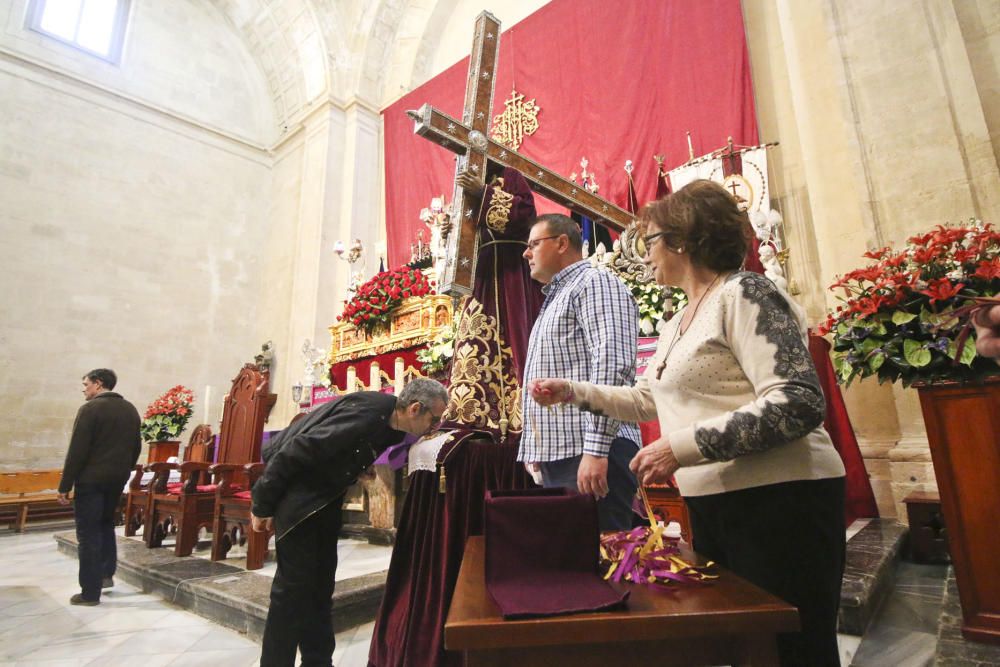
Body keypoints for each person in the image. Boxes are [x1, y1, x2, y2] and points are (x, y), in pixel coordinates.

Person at [531, 180, 847, 667]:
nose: (645, 255)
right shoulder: (678, 319)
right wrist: (575, 392)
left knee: (794, 647)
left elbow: (797, 401)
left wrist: (680, 448)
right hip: (717, 501)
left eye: (650, 240)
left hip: (781, 499)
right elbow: (647, 399)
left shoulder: (745, 292)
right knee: (749, 645)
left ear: (685, 238)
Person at [251, 378, 448, 667]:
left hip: (323, 504)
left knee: (319, 592)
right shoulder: (368, 415)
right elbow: (294, 451)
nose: (436, 426)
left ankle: (318, 662)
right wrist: (262, 504)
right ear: (415, 408)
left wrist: (355, 468)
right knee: (291, 597)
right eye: (435, 419)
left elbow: (339, 450)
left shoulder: (390, 423)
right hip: (300, 505)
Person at [519, 213, 642, 530]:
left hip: (593, 450)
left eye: (534, 244)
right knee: (577, 567)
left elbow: (613, 366)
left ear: (561, 243)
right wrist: (537, 450)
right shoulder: (557, 295)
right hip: (566, 453)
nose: (526, 253)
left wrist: (597, 450)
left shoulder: (594, 282)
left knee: (605, 564)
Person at [58, 368, 141, 606]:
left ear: (99, 383)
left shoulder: (90, 409)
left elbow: (77, 451)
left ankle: (90, 592)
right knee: (105, 525)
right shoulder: (130, 410)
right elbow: (135, 447)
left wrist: (65, 484)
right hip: (116, 480)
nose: (84, 388)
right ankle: (105, 574)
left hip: (91, 481)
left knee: (88, 534)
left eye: (86, 384)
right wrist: (123, 471)